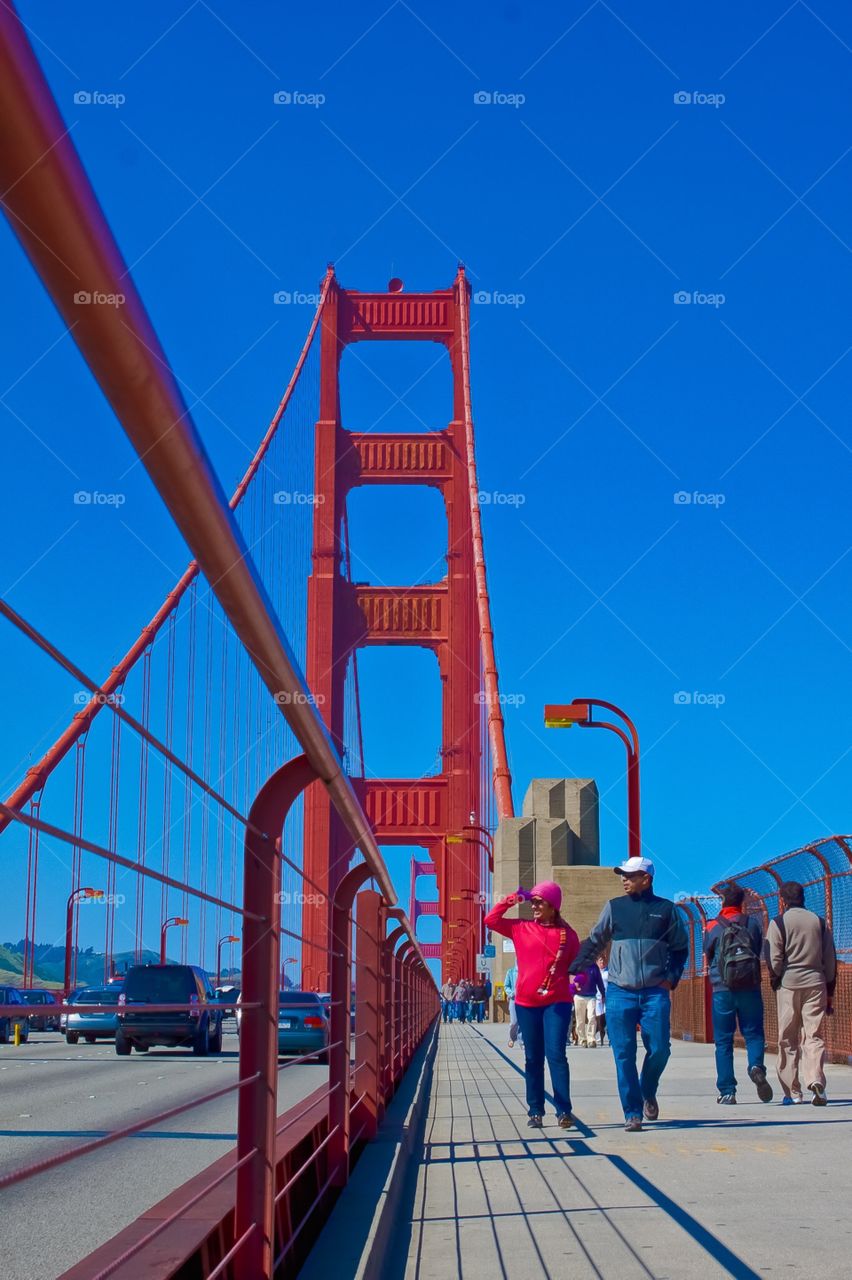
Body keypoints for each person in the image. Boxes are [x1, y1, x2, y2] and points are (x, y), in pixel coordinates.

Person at [571, 856, 688, 1133]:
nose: (624, 879)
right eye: (622, 875)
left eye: (630, 875)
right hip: (620, 992)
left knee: (660, 1049)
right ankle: (632, 1112)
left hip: (654, 992)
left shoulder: (667, 910)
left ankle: (648, 1089)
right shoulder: (614, 908)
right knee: (623, 1053)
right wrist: (574, 968)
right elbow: (596, 939)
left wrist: (670, 980)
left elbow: (680, 949)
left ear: (646, 879)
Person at [484, 881, 579, 1130]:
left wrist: (575, 983)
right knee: (533, 1057)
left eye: (539, 901)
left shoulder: (568, 935)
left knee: (556, 1055)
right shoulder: (521, 928)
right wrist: (514, 899)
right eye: (533, 901)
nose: (534, 906)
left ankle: (563, 1111)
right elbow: (490, 921)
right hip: (526, 1003)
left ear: (553, 906)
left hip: (556, 1003)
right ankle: (536, 1110)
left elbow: (575, 965)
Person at [766, 880, 837, 1106]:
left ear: (782, 900)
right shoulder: (818, 922)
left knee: (787, 1037)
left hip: (788, 984)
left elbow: (773, 957)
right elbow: (830, 958)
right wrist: (830, 987)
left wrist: (776, 979)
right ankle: (816, 1081)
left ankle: (792, 1092)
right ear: (803, 897)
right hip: (816, 982)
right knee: (813, 1035)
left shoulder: (778, 923)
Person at [703, 882, 773, 1105]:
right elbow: (757, 947)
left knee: (723, 1040)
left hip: (722, 988)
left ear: (722, 901)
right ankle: (755, 1066)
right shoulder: (751, 923)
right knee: (753, 1033)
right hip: (749, 986)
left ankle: (727, 1090)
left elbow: (708, 950)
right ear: (742, 902)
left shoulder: (713, 925)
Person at [572, 962, 606, 1047]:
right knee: (580, 1020)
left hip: (591, 996)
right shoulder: (577, 964)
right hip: (579, 996)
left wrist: (603, 994)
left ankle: (591, 1039)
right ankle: (582, 1039)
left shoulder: (594, 967)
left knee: (591, 1017)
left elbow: (599, 981)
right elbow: (571, 980)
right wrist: (572, 994)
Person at [504, 963, 521, 1047]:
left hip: (524, 999)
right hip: (513, 1000)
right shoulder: (510, 972)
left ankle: (522, 1040)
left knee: (523, 1021)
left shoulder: (525, 971)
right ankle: (512, 1037)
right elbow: (506, 986)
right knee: (514, 1021)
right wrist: (511, 993)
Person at [595, 955, 609, 1046]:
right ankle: (600, 1034)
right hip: (597, 997)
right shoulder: (596, 972)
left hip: (607, 996)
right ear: (597, 962)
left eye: (603, 961)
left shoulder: (608, 972)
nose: (602, 963)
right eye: (600, 961)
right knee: (598, 1018)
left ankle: (608, 1035)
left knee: (606, 1017)